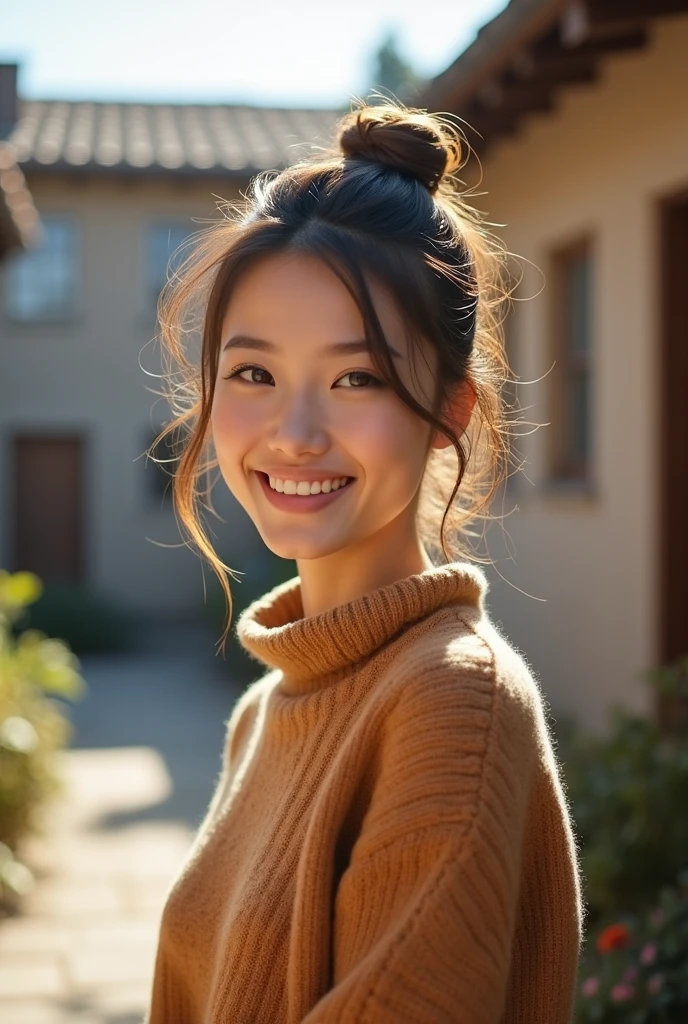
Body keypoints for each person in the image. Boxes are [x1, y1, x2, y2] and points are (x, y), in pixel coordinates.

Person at [144, 100, 585, 1023]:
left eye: (357, 378)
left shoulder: (450, 704)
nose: (294, 436)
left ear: (450, 409)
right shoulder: (267, 706)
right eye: (254, 374)